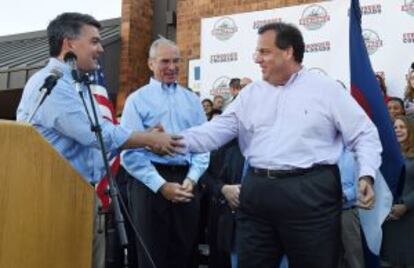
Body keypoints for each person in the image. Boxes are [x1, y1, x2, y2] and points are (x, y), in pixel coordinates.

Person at [180, 22, 381, 268]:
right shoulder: (250, 95)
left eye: (264, 52)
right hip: (257, 194)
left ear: (288, 52)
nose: (257, 59)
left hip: (310, 195)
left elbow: (364, 134)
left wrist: (367, 175)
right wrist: (169, 141)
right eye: (257, 52)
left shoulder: (326, 90)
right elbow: (213, 133)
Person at [15, 12, 181, 268]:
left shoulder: (77, 85)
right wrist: (148, 139)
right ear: (69, 44)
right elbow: (96, 134)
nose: (101, 49)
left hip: (80, 197)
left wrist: (144, 136)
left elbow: (101, 132)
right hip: (55, 199)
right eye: (94, 42)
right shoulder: (54, 84)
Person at [120, 38, 209, 268]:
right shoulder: (136, 100)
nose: (172, 67)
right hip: (149, 184)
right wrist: (161, 186)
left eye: (176, 61)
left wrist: (192, 179)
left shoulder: (193, 101)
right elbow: (129, 153)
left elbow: (203, 146)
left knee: (186, 252)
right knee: (151, 255)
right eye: (165, 61)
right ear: (151, 64)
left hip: (187, 181)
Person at [381, 115, 414, 268]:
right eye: (395, 127)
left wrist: (406, 205)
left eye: (402, 127)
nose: (398, 130)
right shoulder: (386, 154)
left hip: (410, 218)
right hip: (389, 216)